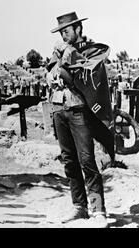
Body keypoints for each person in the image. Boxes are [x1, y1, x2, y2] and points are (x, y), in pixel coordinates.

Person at [47, 12, 114, 228]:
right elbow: (49, 74)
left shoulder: (92, 50)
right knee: (69, 161)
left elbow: (89, 71)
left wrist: (69, 54)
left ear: (78, 29)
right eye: (61, 32)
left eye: (67, 30)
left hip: (79, 110)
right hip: (59, 108)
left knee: (87, 160)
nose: (64, 35)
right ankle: (79, 206)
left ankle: (98, 210)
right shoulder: (57, 52)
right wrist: (53, 70)